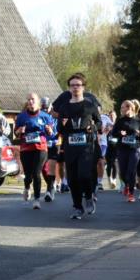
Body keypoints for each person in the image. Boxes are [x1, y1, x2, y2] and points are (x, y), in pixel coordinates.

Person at [58, 73, 102, 220]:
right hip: (70, 146)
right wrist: (61, 125)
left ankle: (89, 196)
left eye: (78, 85)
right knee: (72, 179)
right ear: (69, 88)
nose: (75, 87)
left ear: (83, 87)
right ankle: (78, 207)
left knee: (84, 174)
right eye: (72, 85)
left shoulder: (90, 105)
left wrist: (93, 127)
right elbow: (60, 129)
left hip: (86, 146)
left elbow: (99, 123)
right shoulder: (64, 107)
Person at [13, 92, 54, 209]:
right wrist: (20, 130)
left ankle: (36, 199)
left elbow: (51, 133)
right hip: (26, 149)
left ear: (38, 102)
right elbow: (15, 133)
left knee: (36, 173)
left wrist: (49, 131)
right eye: (29, 100)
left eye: (33, 99)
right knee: (28, 175)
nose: (30, 102)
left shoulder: (45, 116)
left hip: (41, 148)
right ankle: (27, 187)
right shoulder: (21, 117)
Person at [111, 100, 140, 203]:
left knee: (131, 171)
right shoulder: (120, 121)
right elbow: (113, 133)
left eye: (124, 107)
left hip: (134, 149)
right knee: (123, 173)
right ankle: (126, 185)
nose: (122, 109)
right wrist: (120, 133)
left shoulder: (139, 121)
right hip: (122, 149)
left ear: (130, 108)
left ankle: (131, 194)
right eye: (121, 108)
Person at [40, 96, 60, 201]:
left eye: (46, 108)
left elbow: (58, 131)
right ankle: (51, 185)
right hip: (42, 145)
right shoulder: (40, 116)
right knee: (43, 168)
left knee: (51, 167)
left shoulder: (55, 118)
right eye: (43, 108)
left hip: (53, 145)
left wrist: (52, 133)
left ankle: (49, 189)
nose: (45, 110)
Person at [97, 110, 115, 191]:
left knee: (100, 162)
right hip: (91, 143)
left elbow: (111, 125)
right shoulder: (88, 116)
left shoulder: (104, 117)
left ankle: (99, 182)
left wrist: (107, 129)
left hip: (102, 143)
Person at [104, 110, 119, 189]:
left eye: (113, 116)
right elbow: (103, 135)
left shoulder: (119, 124)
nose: (112, 117)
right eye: (110, 116)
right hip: (108, 147)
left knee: (114, 163)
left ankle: (114, 180)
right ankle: (109, 179)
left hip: (116, 147)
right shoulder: (107, 125)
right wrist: (107, 130)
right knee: (109, 164)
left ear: (116, 116)